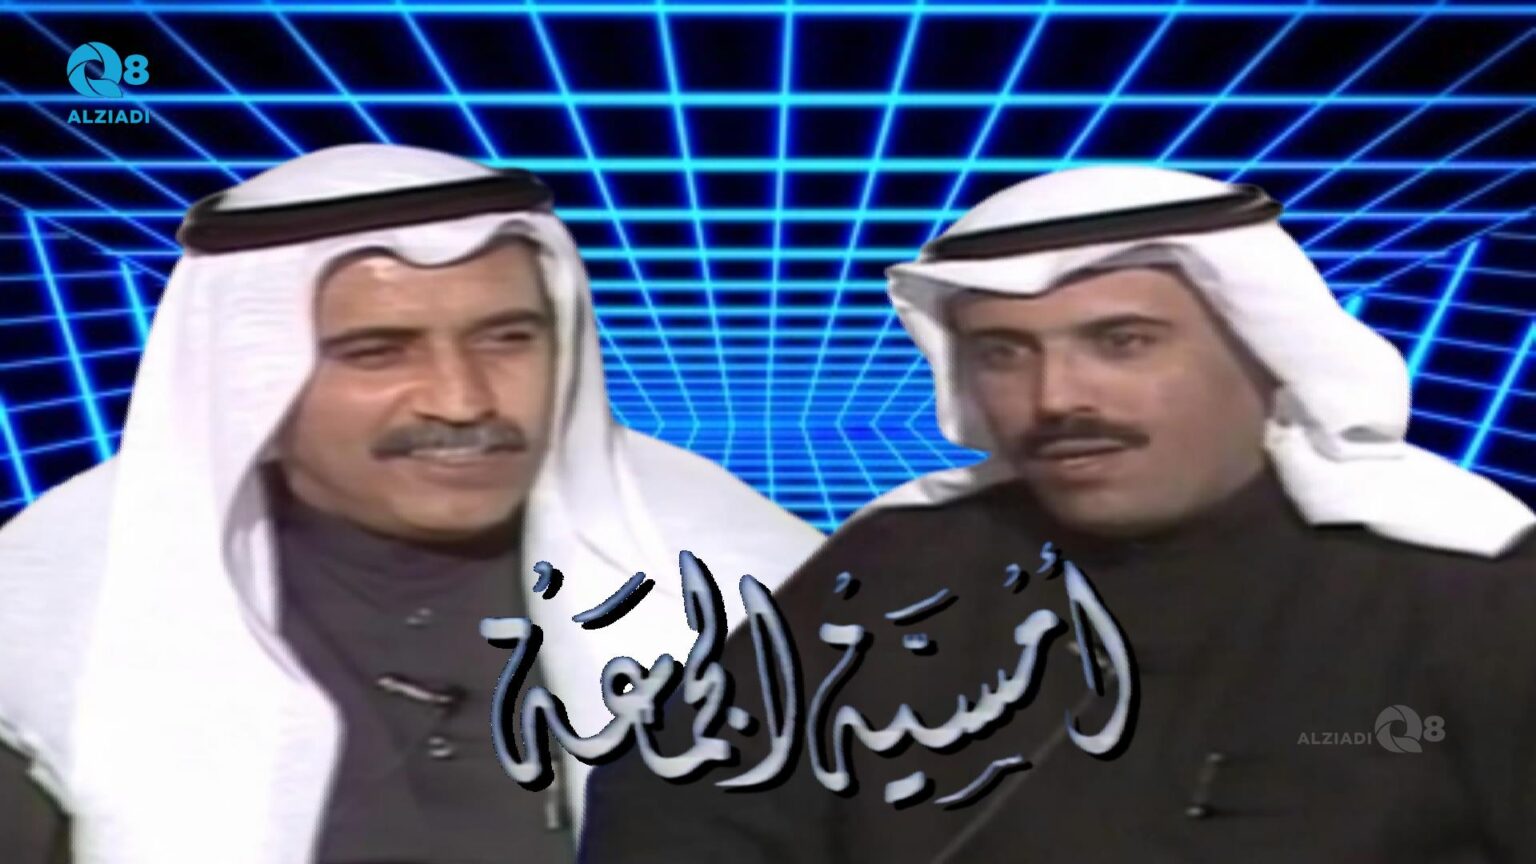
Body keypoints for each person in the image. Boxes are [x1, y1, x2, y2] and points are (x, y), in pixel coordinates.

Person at [578, 165, 1536, 863]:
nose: (1056, 398)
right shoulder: (898, 569)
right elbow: (683, 804)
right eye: (1004, 354)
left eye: (1122, 343)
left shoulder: (1468, 597)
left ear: (1261, 353)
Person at [0, 144, 824, 864]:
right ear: (252, 378)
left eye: (507, 338)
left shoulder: (750, 581)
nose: (462, 401)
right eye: (378, 352)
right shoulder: (56, 611)